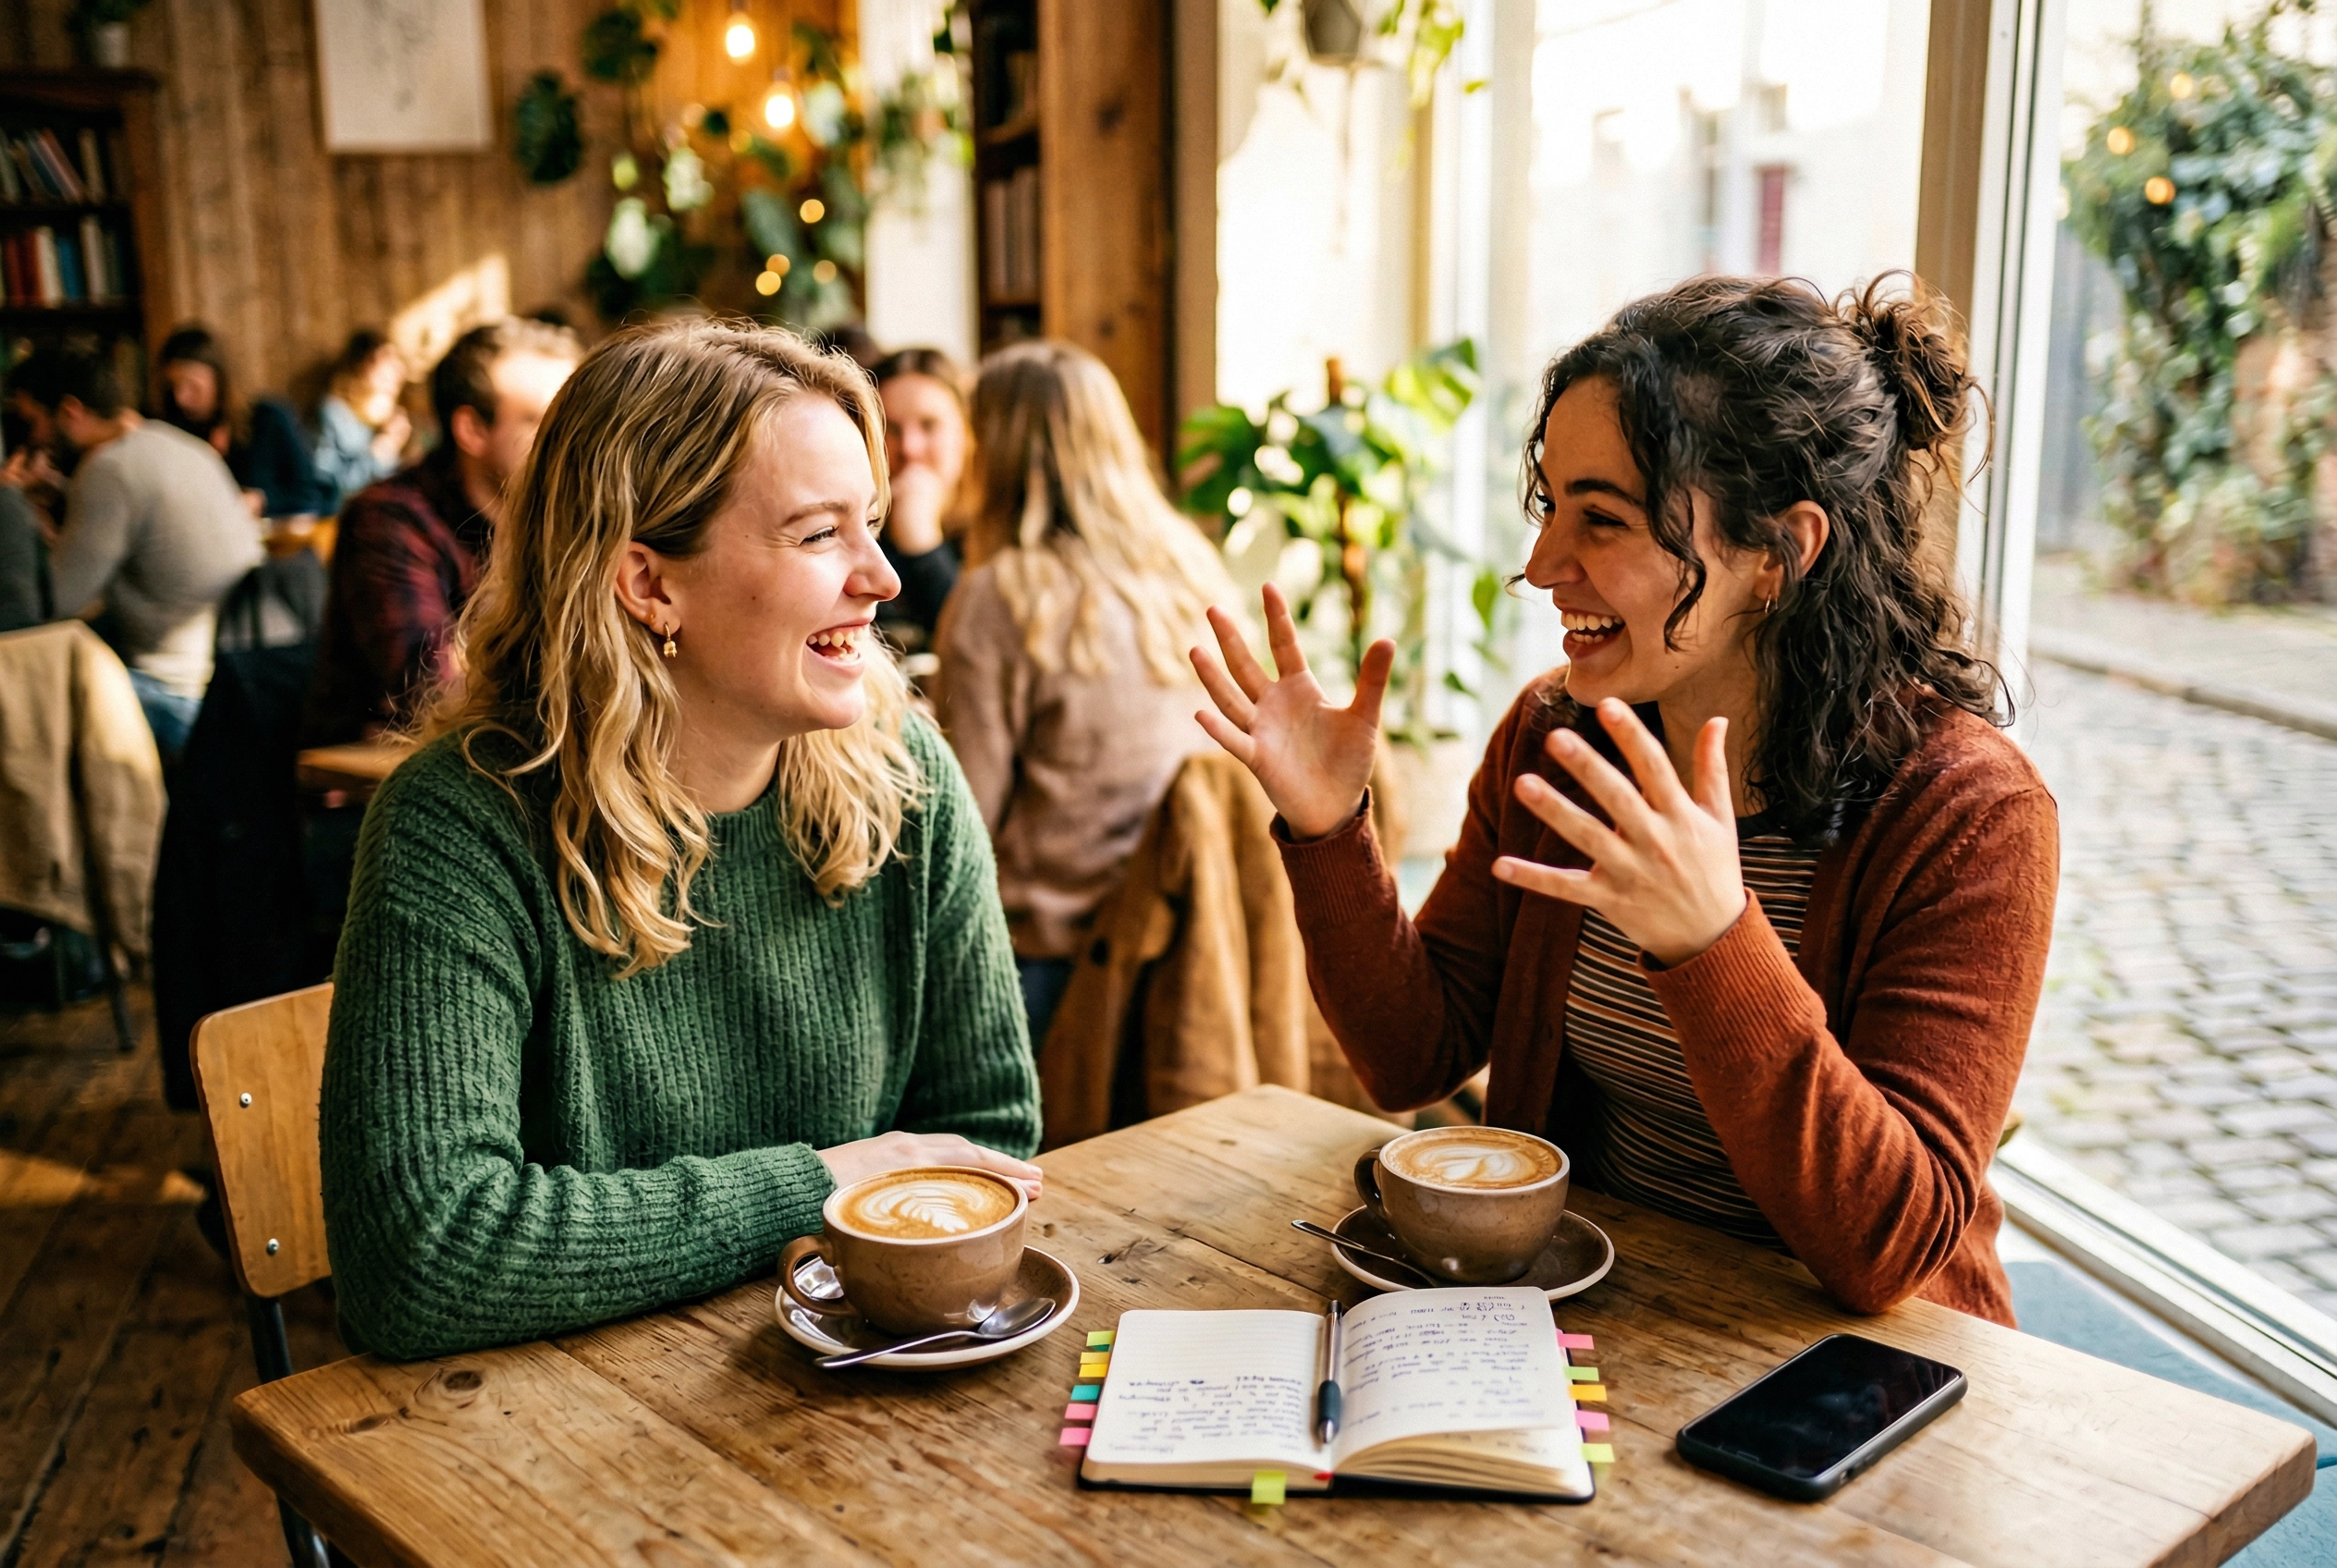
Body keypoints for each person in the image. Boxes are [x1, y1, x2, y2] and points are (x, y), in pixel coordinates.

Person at [1192, 276, 2058, 1328]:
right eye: (1550, 506)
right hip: (1608, 1312)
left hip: (1855, 1376)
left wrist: (1713, 940)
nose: (1540, 565)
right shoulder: (1557, 739)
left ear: (1778, 555)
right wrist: (1330, 830)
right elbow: (1409, 1057)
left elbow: (1887, 1249)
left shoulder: (1966, 813)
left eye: (1600, 520)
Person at [318, 320, 1041, 1360]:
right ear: (649, 583)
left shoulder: (905, 777)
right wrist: (820, 1185)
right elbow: (423, 1255)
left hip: (850, 1396)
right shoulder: (461, 827)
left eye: (871, 523)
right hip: (541, 1441)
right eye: (816, 534)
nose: (882, 578)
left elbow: (986, 1149)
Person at [935, 339, 1234, 1049]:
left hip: (1052, 967)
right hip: (1186, 945)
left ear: (994, 452)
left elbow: (962, 823)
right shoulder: (1193, 568)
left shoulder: (1001, 596)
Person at [301, 316, 581, 746]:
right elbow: (433, 689)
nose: (575, 441)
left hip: (527, 758)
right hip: (382, 787)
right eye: (545, 421)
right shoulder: (390, 519)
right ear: (472, 429)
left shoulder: (571, 514)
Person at [7, 337, 263, 758]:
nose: (33, 439)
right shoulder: (174, 442)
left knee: (31, 708)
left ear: (70, 412)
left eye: (33, 422)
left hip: (174, 694)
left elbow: (56, 603)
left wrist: (18, 514)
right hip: (237, 686)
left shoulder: (107, 470)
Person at [154, 324, 328, 521]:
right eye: (173, 387)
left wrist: (262, 501)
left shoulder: (268, 418)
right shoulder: (175, 434)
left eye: (192, 386)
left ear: (219, 378)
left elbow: (314, 496)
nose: (181, 398)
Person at [871, 346, 972, 653]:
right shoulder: (857, 535)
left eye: (929, 425)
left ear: (965, 433)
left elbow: (973, 643)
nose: (910, 448)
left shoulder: (1001, 530)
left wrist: (922, 544)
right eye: (892, 429)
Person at [310, 328, 411, 510]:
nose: (394, 369)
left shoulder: (397, 419)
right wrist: (379, 452)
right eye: (384, 358)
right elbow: (325, 485)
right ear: (361, 364)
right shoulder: (335, 413)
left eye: (396, 360)